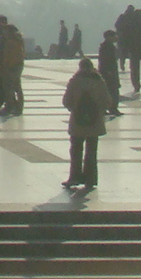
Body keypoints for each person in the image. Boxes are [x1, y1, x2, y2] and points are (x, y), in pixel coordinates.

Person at [61, 56, 108, 189]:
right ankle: (91, 179)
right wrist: (98, 111)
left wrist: (75, 109)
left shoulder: (75, 81)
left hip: (78, 121)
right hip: (95, 122)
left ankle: (74, 177)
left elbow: (66, 101)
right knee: (91, 151)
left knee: (76, 150)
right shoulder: (99, 81)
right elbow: (107, 101)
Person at [0, 22, 26, 116]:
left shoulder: (11, 42)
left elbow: (9, 56)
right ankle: (18, 107)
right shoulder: (18, 40)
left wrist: (5, 66)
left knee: (8, 87)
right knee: (17, 87)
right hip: (17, 65)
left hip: (11, 66)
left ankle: (9, 106)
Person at [97, 30, 123, 117]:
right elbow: (107, 61)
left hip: (106, 72)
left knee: (106, 91)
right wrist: (109, 72)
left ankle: (105, 108)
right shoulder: (108, 47)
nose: (116, 38)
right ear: (109, 37)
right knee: (113, 91)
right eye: (114, 36)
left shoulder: (106, 47)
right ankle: (113, 108)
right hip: (109, 72)